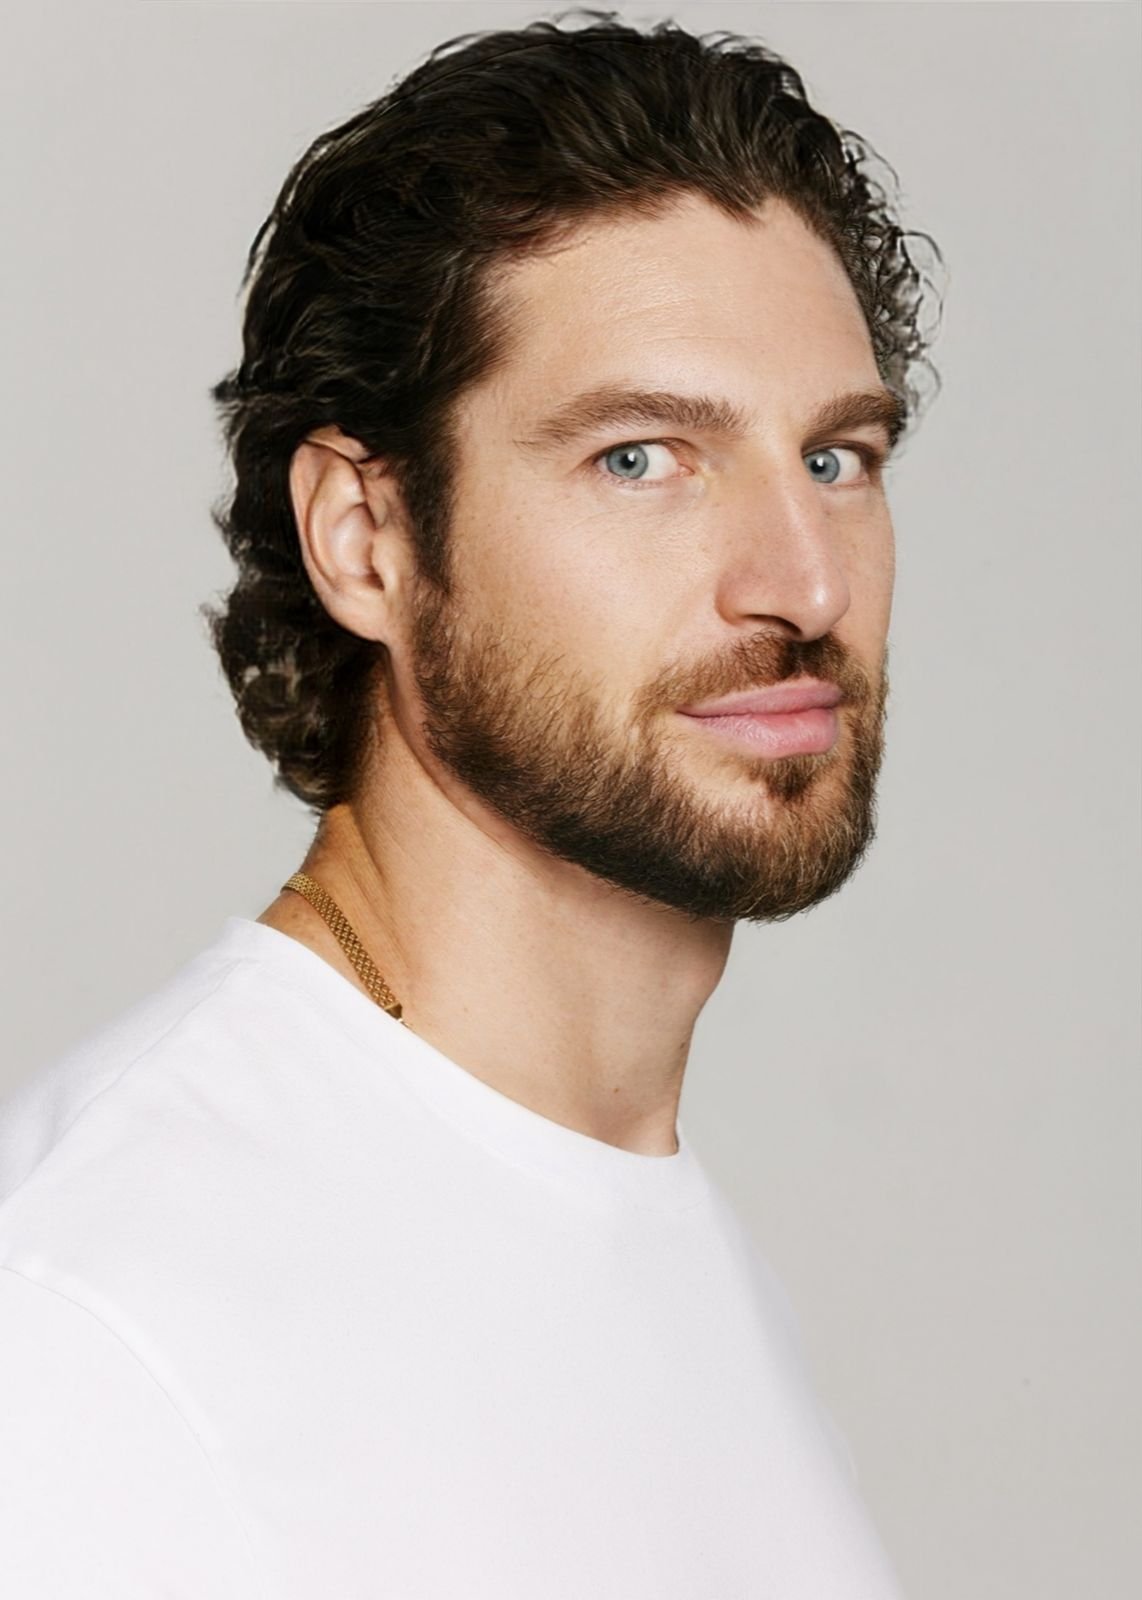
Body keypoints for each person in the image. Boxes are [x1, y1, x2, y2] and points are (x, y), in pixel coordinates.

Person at [0, 9, 943, 1596]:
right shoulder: (93, 1333)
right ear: (364, 539)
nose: (801, 583)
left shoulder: (653, 1229)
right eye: (640, 458)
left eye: (835, 459)